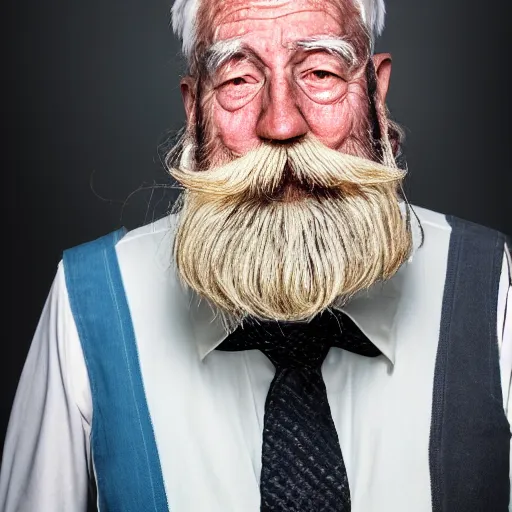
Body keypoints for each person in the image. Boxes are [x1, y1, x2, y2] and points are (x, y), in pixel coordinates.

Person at [1, 0, 511, 510]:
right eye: (238, 80)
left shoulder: (491, 289)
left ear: (376, 93)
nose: (282, 124)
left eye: (320, 71)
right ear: (194, 107)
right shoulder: (90, 300)